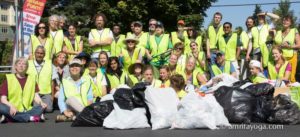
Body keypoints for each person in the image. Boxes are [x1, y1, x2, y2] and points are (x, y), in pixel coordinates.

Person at [0, 57, 47, 123]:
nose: (21, 66)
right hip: (12, 109)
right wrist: (11, 106)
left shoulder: (32, 79)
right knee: (1, 107)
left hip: (27, 109)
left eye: (24, 64)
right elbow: (3, 99)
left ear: (27, 67)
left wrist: (41, 102)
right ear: (15, 66)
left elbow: (35, 96)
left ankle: (10, 118)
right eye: (19, 63)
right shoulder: (9, 79)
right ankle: (30, 118)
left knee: (41, 107)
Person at [27, 46, 54, 113]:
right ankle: (37, 107)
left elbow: (52, 82)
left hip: (46, 92)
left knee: (49, 109)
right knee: (36, 107)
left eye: (41, 53)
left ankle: (39, 108)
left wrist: (52, 97)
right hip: (33, 92)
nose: (39, 55)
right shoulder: (28, 63)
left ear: (44, 55)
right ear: (34, 54)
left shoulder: (50, 64)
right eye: (38, 53)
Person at [274, 15, 300, 82]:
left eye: (287, 20)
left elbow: (298, 45)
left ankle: (295, 92)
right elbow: (276, 45)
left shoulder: (294, 31)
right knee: (281, 77)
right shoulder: (278, 32)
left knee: (291, 78)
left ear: (291, 23)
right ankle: (282, 92)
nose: (285, 22)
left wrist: (289, 46)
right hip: (281, 58)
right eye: (284, 20)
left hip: (291, 57)